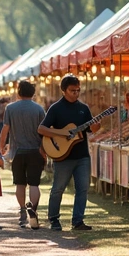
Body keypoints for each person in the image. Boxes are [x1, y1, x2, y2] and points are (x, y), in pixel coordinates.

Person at [38, 74, 101, 232]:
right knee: (58, 188)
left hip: (82, 156)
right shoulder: (56, 108)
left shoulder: (83, 108)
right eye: (73, 90)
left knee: (83, 188)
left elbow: (92, 129)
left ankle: (78, 221)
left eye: (78, 90)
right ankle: (54, 219)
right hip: (63, 156)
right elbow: (41, 128)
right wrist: (61, 134)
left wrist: (96, 125)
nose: (76, 93)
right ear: (64, 90)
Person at [0, 80, 46, 229]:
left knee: (20, 184)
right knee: (34, 184)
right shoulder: (39, 109)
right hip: (35, 150)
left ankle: (22, 212)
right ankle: (33, 210)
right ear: (33, 93)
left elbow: (5, 129)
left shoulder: (10, 108)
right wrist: (44, 150)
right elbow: (44, 131)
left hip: (18, 151)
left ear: (19, 92)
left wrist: (2, 147)